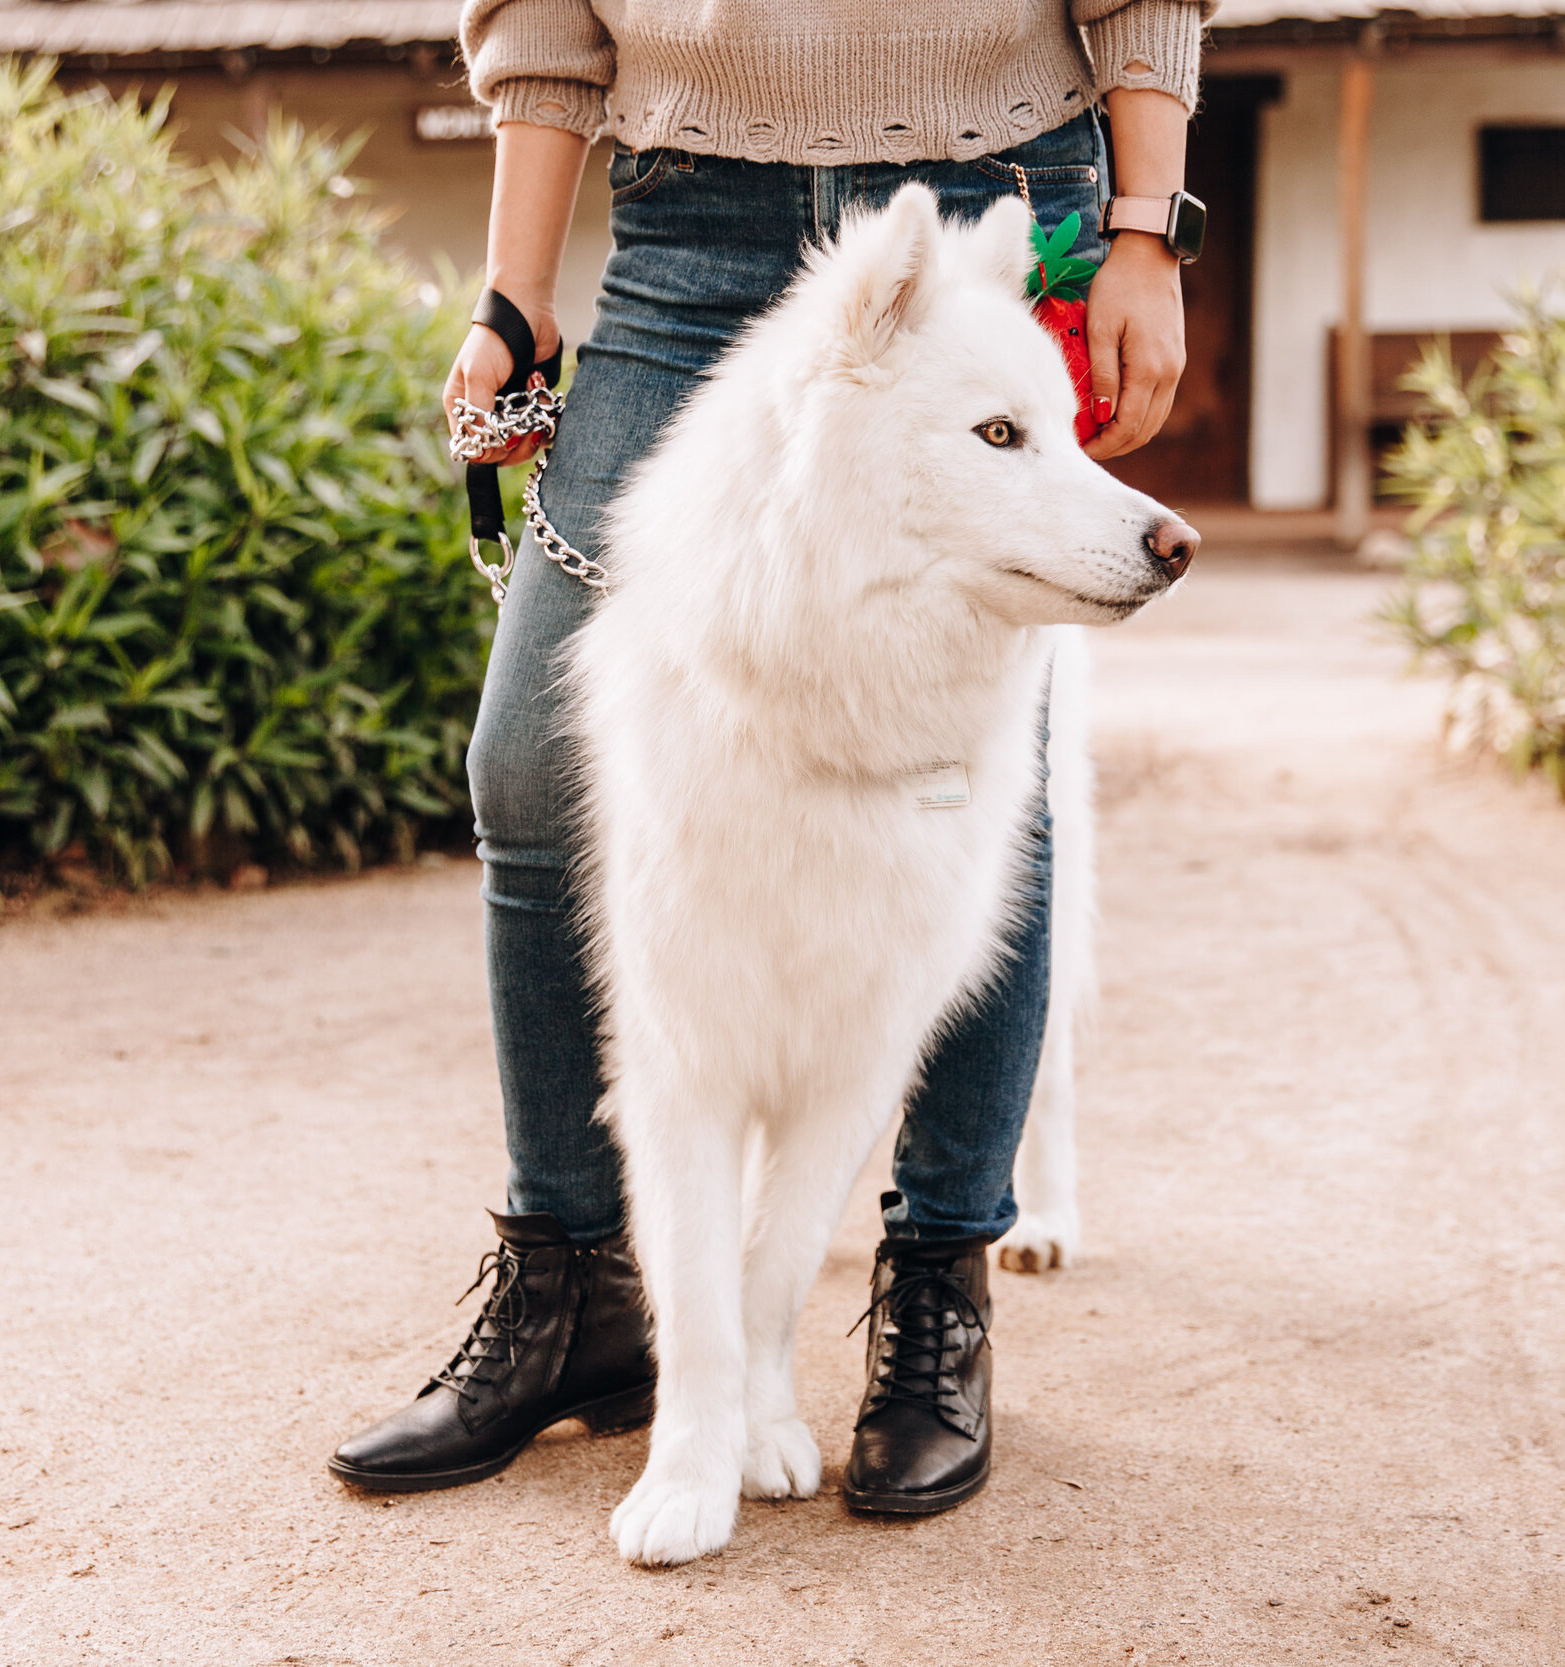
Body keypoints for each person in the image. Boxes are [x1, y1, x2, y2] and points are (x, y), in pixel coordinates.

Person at [332, 0, 1206, 1516]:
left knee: (988, 776)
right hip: (690, 210)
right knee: (531, 766)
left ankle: (938, 1282)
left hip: (997, 186)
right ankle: (574, 1290)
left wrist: (1144, 225)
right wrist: (512, 293)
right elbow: (543, 13)